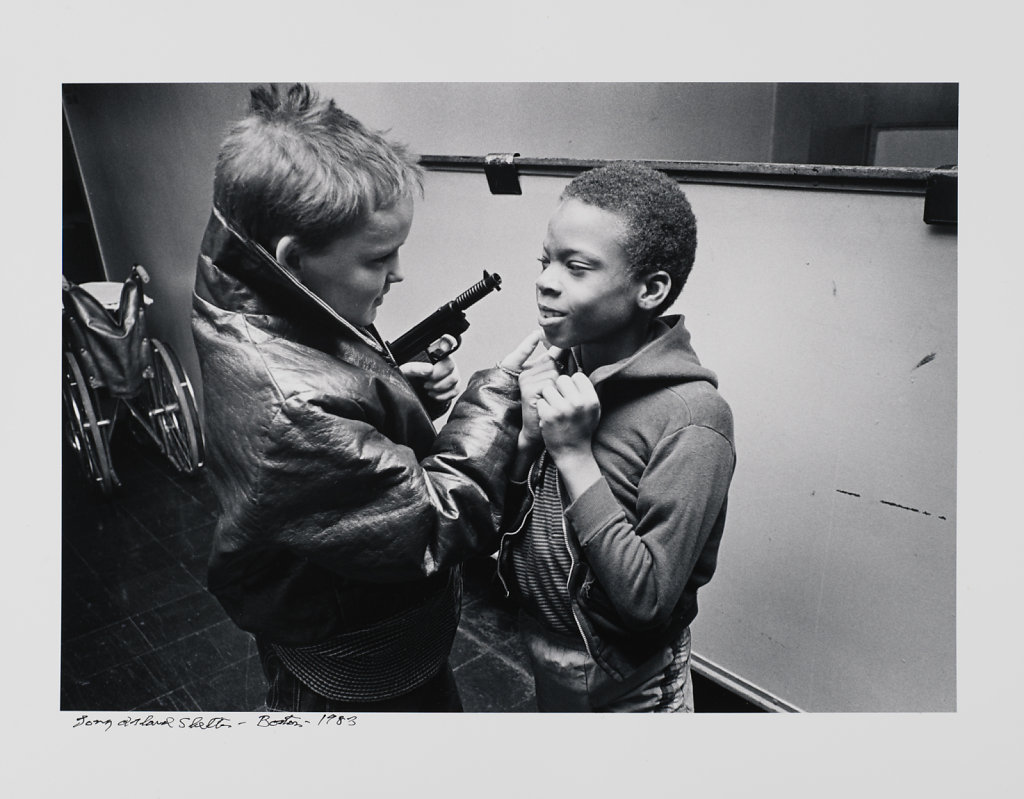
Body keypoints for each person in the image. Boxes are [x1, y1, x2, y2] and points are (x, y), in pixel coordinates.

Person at [191, 83, 539, 712]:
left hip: (348, 618)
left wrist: (399, 396)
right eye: (380, 257)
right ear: (292, 260)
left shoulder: (265, 293)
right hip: (359, 662)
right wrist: (498, 395)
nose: (399, 272)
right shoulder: (292, 407)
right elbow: (435, 519)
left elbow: (337, 430)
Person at [498, 161, 736, 712]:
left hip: (630, 680)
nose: (545, 280)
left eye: (576, 267)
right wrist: (528, 442)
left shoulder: (693, 419)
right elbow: (506, 533)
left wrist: (574, 455)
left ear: (650, 290)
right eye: (545, 260)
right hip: (548, 650)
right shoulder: (561, 372)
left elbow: (647, 602)